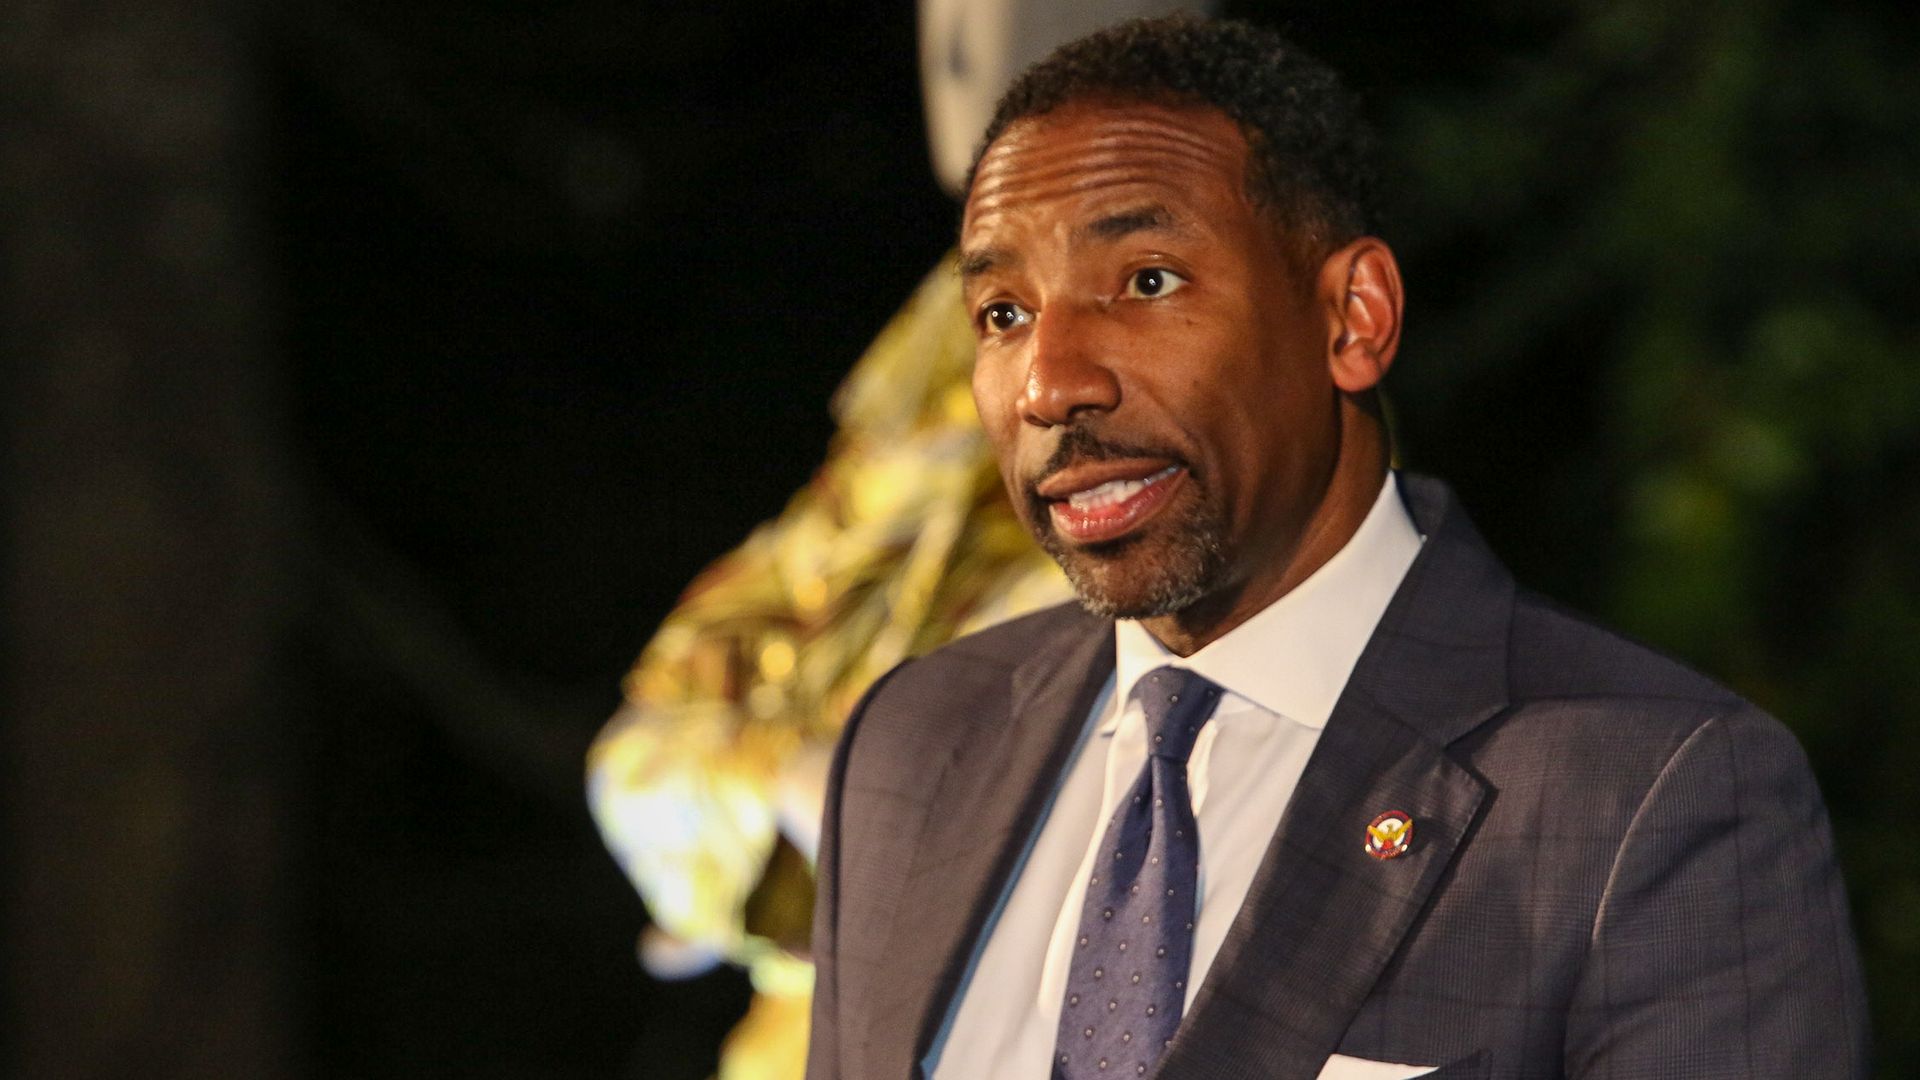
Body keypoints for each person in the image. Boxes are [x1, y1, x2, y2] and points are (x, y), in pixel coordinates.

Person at [804, 15, 1868, 1080]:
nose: (1049, 382)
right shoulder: (913, 746)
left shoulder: (1650, 794)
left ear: (1352, 319)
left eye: (1147, 282)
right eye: (1000, 312)